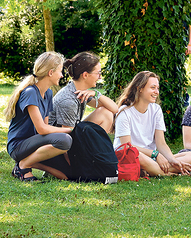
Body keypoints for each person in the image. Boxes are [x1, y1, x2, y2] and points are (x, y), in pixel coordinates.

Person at [114, 71, 191, 176]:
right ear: (140, 89)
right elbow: (127, 146)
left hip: (151, 159)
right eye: (153, 88)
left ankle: (151, 170)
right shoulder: (124, 112)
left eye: (157, 88)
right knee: (136, 153)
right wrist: (155, 154)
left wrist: (172, 160)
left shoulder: (156, 109)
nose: (156, 92)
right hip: (131, 156)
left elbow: (161, 143)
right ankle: (165, 173)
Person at [5, 52, 73, 181]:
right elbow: (42, 129)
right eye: (60, 71)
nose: (62, 75)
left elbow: (45, 127)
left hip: (35, 143)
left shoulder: (47, 93)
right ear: (50, 73)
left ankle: (30, 163)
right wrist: (69, 129)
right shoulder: (30, 92)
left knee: (67, 175)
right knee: (65, 139)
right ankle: (24, 165)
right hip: (18, 146)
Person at [49, 52, 118, 132]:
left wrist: (96, 93)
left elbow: (114, 109)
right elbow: (66, 136)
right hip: (59, 140)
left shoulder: (81, 92)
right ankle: (97, 144)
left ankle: (98, 143)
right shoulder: (68, 100)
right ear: (85, 75)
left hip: (71, 135)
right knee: (106, 114)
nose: (100, 77)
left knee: (106, 113)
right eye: (98, 73)